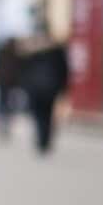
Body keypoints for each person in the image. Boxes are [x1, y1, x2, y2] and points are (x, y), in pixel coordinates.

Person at [16, 24, 70, 153]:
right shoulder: (57, 50)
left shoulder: (31, 50)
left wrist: (24, 85)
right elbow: (64, 70)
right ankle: (45, 139)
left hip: (35, 88)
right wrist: (63, 87)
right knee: (47, 114)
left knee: (39, 115)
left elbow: (22, 70)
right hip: (50, 88)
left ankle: (42, 138)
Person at [0, 36, 21, 139]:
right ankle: (4, 123)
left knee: (2, 104)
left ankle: (2, 123)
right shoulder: (15, 54)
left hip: (3, 82)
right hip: (10, 83)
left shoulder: (4, 53)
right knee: (8, 104)